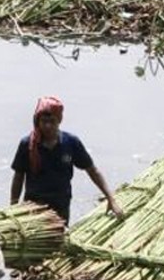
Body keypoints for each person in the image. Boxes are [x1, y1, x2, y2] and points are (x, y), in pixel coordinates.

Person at [10, 96, 124, 225]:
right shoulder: (28, 145)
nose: (47, 126)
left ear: (59, 121)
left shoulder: (71, 143)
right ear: (37, 121)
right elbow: (18, 177)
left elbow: (92, 170)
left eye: (52, 121)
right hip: (33, 207)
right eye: (44, 121)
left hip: (61, 206)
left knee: (59, 241)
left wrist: (111, 199)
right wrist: (13, 207)